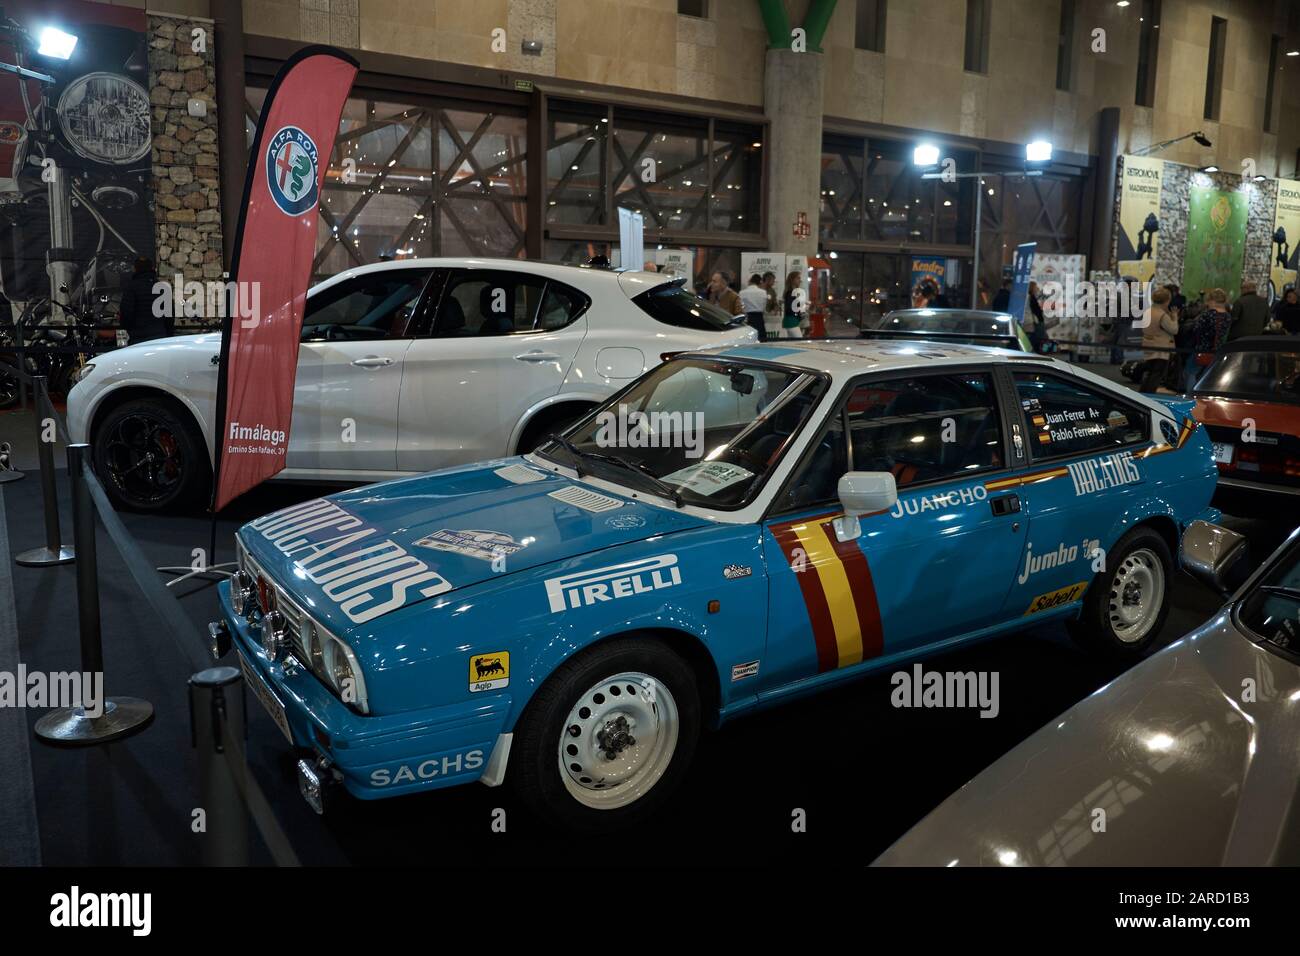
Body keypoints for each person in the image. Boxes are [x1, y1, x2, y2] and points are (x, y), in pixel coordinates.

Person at [1185, 288, 1232, 391]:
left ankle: (1189, 396)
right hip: (1216, 350)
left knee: (1191, 373)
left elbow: (1196, 330)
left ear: (1211, 300)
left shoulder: (1207, 314)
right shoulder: (1228, 316)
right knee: (1207, 377)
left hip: (1201, 349)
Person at [117, 257, 169, 344]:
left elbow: (126, 314)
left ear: (135, 269)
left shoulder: (131, 288)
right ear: (152, 268)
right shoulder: (163, 288)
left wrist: (128, 328)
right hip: (160, 338)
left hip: (138, 339)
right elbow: (169, 318)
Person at [1138, 287, 1179, 392]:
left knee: (1149, 373)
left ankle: (1143, 393)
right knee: (1157, 374)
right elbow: (1174, 329)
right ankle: (1149, 395)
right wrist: (1175, 317)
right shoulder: (1162, 315)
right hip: (1161, 348)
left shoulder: (1148, 311)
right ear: (1167, 300)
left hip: (1148, 344)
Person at [738, 273, 768, 341]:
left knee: (748, 338)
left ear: (750, 281)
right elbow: (764, 307)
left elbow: (741, 306)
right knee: (761, 338)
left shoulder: (742, 292)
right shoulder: (763, 292)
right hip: (759, 317)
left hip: (747, 317)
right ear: (760, 282)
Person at [1024, 280, 1048, 352]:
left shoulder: (1026, 296)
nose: (1037, 289)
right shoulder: (1030, 297)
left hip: (1026, 321)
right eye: (1036, 287)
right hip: (1030, 322)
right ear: (1032, 288)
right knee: (1036, 340)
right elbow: (1036, 310)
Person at [781, 270, 805, 339]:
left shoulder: (791, 292)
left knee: (792, 344)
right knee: (800, 343)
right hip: (792, 322)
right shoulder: (790, 293)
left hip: (791, 321)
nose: (800, 280)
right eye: (798, 278)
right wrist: (799, 313)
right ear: (792, 280)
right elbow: (790, 308)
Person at [761, 271, 782, 340]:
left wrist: (775, 310)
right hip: (759, 318)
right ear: (767, 279)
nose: (774, 282)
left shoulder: (772, 291)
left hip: (768, 320)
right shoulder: (758, 289)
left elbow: (775, 304)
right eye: (773, 280)